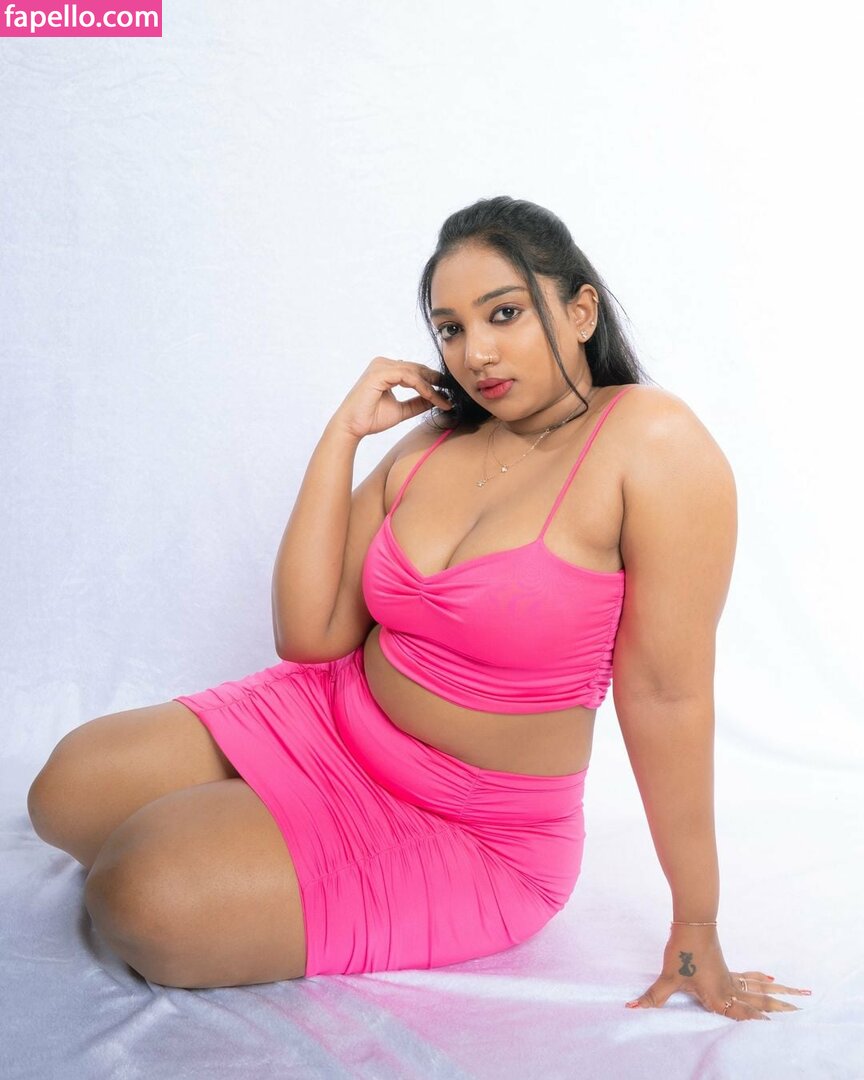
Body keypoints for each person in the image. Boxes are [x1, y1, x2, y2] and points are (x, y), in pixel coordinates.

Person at [27, 195, 809, 1019]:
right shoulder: (437, 440)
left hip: (472, 830)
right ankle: (250, 826)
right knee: (65, 790)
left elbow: (666, 696)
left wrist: (696, 924)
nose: (477, 353)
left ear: (581, 311)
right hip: (332, 720)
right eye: (451, 329)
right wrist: (343, 434)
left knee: (141, 897)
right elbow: (308, 634)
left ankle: (243, 843)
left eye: (504, 313)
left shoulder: (652, 442)